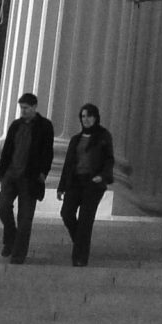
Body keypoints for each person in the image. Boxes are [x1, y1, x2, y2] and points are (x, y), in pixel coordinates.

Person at [0, 91, 55, 264]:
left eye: (26, 108)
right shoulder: (15, 125)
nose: (23, 111)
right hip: (11, 175)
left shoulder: (45, 126)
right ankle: (10, 238)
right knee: (3, 207)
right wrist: (2, 173)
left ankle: (18, 254)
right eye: (21, 108)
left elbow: (48, 152)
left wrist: (43, 173)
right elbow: (7, 149)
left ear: (35, 107)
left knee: (25, 218)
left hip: (31, 178)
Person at [56, 102, 116, 267]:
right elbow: (68, 164)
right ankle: (81, 245)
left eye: (89, 116)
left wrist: (102, 176)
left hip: (93, 183)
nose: (86, 119)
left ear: (95, 117)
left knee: (85, 220)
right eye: (83, 116)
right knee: (67, 213)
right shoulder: (76, 139)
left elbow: (109, 159)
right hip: (75, 181)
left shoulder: (103, 136)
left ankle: (79, 258)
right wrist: (61, 187)